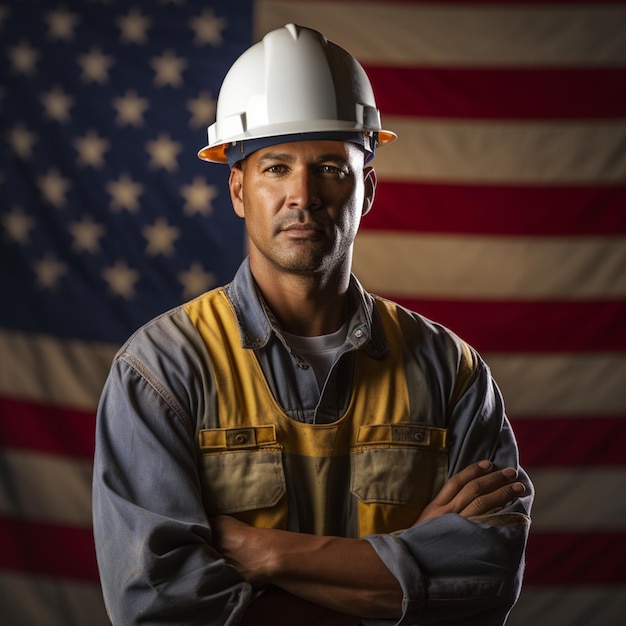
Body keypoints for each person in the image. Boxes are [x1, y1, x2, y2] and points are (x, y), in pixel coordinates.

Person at [92, 23, 533, 626]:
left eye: (330, 167)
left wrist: (267, 554)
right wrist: (403, 581)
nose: (303, 195)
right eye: (275, 167)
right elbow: (162, 610)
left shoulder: (450, 371)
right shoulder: (161, 370)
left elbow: (484, 583)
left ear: (367, 190)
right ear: (238, 189)